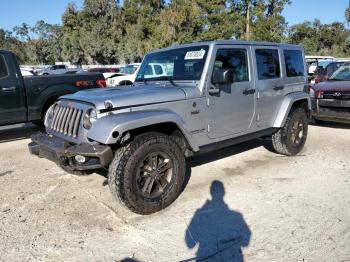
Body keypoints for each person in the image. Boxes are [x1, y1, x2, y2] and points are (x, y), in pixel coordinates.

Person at [185, 181, 251, 262]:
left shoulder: (199, 216)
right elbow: (245, 242)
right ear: (224, 192)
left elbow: (190, 243)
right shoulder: (236, 216)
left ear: (211, 192)